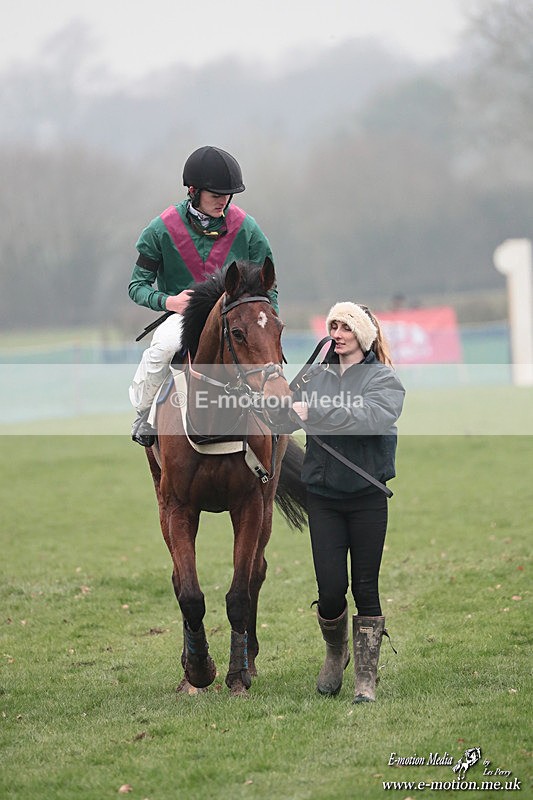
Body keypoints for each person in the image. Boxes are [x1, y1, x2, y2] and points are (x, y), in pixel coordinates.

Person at [291, 302, 405, 702]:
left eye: (345, 327)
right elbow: (288, 416)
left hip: (368, 498)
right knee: (331, 589)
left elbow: (372, 417)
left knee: (365, 588)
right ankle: (336, 652)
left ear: (363, 335)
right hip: (323, 497)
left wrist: (316, 411)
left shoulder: (383, 380)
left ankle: (366, 681)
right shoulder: (316, 375)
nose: (336, 333)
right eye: (333, 326)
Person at [128, 145, 277, 446]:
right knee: (163, 348)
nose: (224, 201)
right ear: (193, 191)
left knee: (268, 354)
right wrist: (168, 301)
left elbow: (268, 284)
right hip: (183, 318)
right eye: (216, 195)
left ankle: (276, 413)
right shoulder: (160, 230)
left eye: (228, 195)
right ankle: (144, 414)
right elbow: (137, 286)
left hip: (235, 317)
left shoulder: (247, 228)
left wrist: (270, 320)